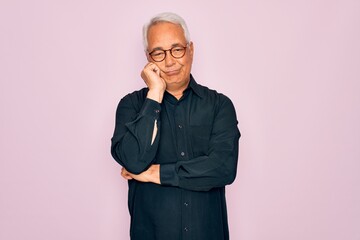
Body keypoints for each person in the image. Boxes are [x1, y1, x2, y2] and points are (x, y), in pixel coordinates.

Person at [111, 12, 241, 240]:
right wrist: (155, 94)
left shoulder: (219, 105)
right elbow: (133, 161)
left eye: (177, 49)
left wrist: (154, 173)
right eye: (158, 53)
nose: (169, 61)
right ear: (148, 57)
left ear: (190, 49)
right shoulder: (131, 106)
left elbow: (223, 168)